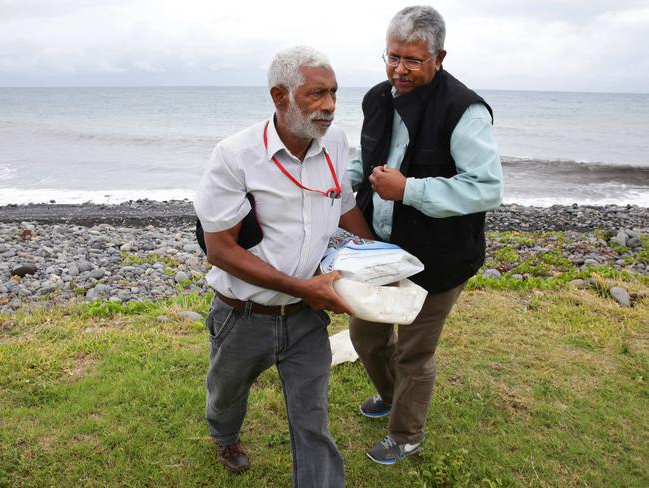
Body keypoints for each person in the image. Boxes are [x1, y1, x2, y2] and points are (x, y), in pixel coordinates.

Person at [194, 46, 372, 487]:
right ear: (280, 96)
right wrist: (302, 285)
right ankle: (226, 436)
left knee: (313, 422)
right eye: (316, 94)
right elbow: (219, 248)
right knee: (226, 396)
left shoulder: (336, 141)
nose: (329, 106)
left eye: (334, 93)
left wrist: (380, 257)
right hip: (242, 314)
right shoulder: (234, 155)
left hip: (306, 317)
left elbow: (344, 201)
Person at [347, 6, 504, 465]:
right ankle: (395, 396)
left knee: (415, 351)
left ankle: (406, 432)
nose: (400, 69)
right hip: (378, 249)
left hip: (439, 256)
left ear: (438, 57)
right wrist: (330, 187)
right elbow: (364, 160)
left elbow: (488, 188)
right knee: (366, 337)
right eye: (393, 57)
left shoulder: (464, 110)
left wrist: (408, 190)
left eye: (413, 60)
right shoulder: (378, 98)